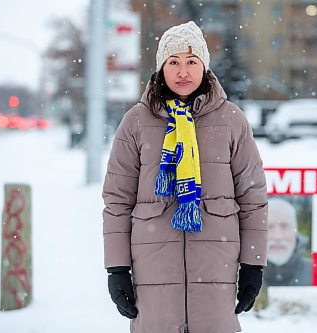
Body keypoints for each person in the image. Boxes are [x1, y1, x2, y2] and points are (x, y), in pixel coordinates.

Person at [102, 21, 268, 333]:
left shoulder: (231, 120)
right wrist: (117, 268)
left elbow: (253, 197)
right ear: (160, 68)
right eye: (174, 62)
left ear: (204, 67)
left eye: (192, 62)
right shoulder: (136, 122)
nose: (183, 72)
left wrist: (253, 264)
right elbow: (117, 200)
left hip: (217, 262)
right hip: (152, 263)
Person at [263, 198, 312, 286]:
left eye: (284, 226)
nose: (277, 237)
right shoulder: (240, 276)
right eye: (269, 227)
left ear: (296, 232)